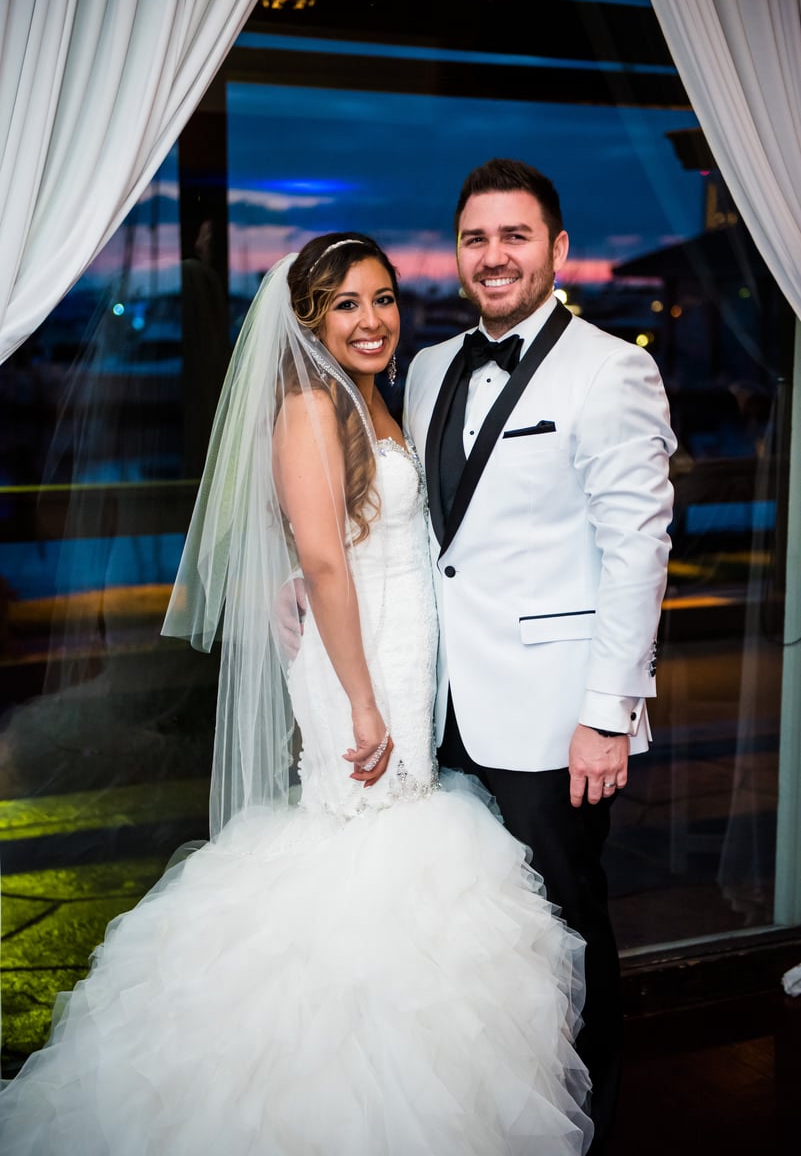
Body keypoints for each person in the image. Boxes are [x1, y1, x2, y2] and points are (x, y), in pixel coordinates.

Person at [0, 232, 593, 1155]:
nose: (371, 319)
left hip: (393, 654)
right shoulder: (311, 406)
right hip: (361, 669)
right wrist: (361, 700)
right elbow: (322, 557)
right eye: (346, 303)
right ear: (309, 319)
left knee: (390, 851)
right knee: (364, 843)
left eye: (383, 298)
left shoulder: (372, 397)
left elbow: (354, 539)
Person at [404, 159, 676, 1152]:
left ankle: (586, 1122)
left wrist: (608, 713)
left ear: (557, 249)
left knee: (565, 928)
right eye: (475, 238)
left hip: (556, 717)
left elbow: (638, 549)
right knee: (471, 933)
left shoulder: (611, 369)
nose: (494, 256)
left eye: (515, 236)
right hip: (439, 707)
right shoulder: (427, 367)